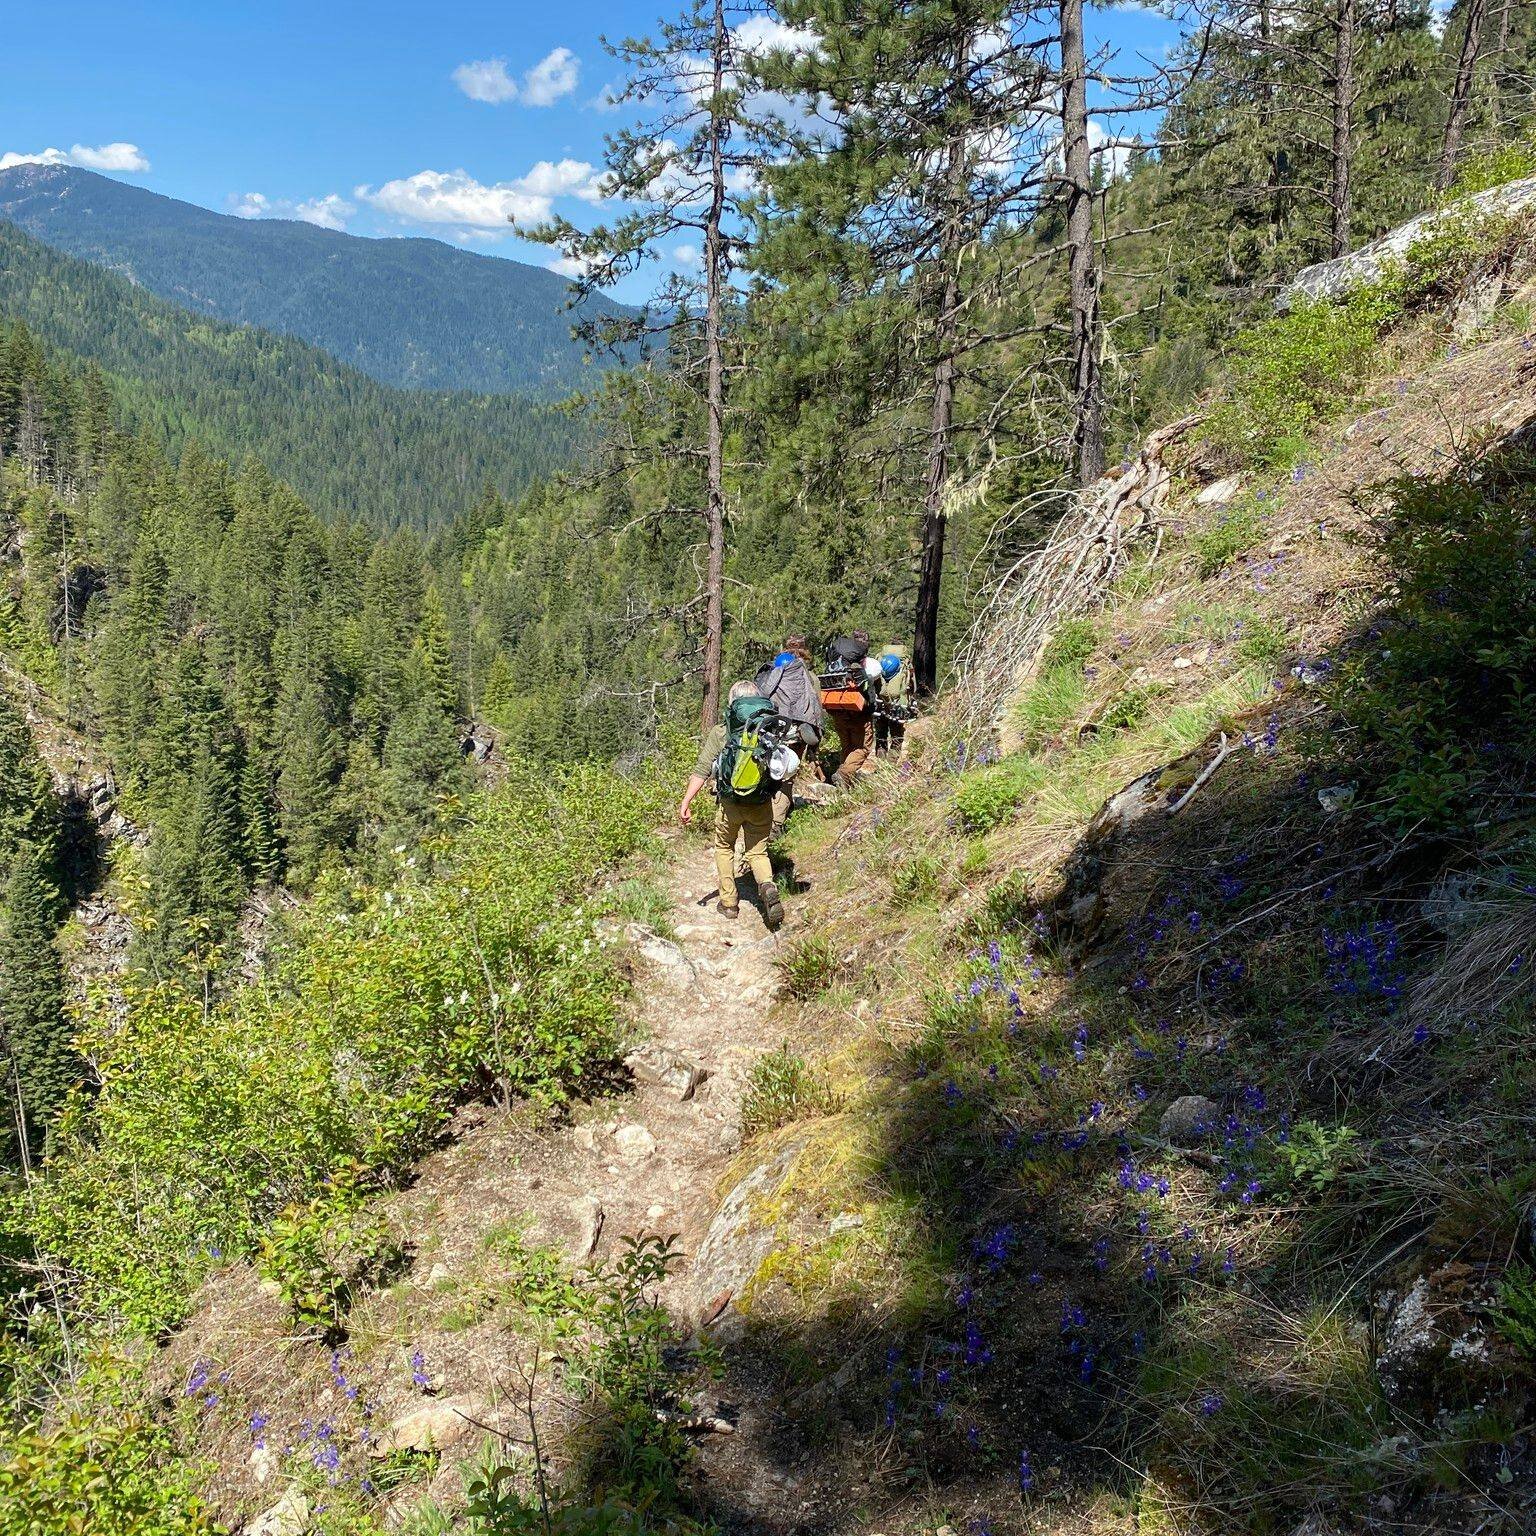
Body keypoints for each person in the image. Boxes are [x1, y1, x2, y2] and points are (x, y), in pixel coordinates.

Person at [677, 681, 785, 929]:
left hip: (729, 803)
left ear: (733, 704)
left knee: (724, 847)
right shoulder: (768, 729)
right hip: (760, 801)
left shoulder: (720, 732)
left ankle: (728, 903)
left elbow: (702, 770)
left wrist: (686, 801)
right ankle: (767, 885)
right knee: (757, 851)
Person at [754, 633, 824, 834]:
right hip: (795, 734)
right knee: (786, 775)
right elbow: (816, 707)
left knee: (769, 772)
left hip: (770, 730)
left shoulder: (774, 671)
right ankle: (776, 825)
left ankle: (762, 815)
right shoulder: (808, 677)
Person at [819, 629, 878, 787]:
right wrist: (871, 705)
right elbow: (867, 690)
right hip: (857, 713)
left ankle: (844, 783)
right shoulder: (857, 664)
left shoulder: (834, 659)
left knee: (847, 746)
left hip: (837, 710)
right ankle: (844, 774)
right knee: (862, 748)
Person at [873, 642, 912, 757]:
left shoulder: (880, 661)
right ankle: (892, 764)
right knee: (896, 736)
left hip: (880, 706)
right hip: (897, 707)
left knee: (881, 735)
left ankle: (880, 763)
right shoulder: (904, 664)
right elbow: (910, 686)